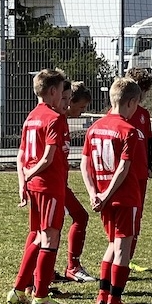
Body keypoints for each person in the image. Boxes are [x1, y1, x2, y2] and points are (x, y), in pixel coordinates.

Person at [81, 77, 149, 304]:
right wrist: (108, 194)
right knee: (122, 248)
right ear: (131, 103)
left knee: (112, 244)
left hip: (102, 196)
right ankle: (115, 301)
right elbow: (123, 167)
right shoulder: (129, 130)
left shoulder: (94, 128)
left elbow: (84, 163)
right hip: (124, 196)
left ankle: (103, 297)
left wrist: (94, 193)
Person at [8, 68, 72, 304]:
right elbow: (47, 157)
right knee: (50, 236)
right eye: (62, 91)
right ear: (53, 91)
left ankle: (18, 290)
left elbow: (21, 154)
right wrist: (31, 173)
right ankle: (41, 295)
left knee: (37, 235)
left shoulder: (31, 117)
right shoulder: (54, 118)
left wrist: (23, 180)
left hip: (35, 186)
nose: (64, 97)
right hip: (48, 184)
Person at [58, 82, 97, 284]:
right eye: (81, 107)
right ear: (69, 101)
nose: (82, 112)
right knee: (79, 217)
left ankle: (42, 271)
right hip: (53, 185)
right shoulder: (57, 120)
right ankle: (72, 267)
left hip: (56, 183)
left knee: (49, 227)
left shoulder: (60, 120)